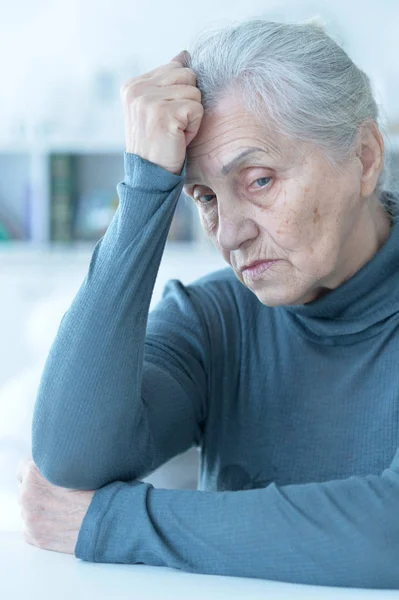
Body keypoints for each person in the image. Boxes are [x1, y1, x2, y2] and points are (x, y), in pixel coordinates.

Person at [28, 18, 399, 588]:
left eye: (258, 181)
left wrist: (112, 522)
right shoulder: (214, 320)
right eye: (203, 196)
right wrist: (148, 185)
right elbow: (71, 458)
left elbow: (387, 532)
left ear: (365, 158)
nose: (227, 235)